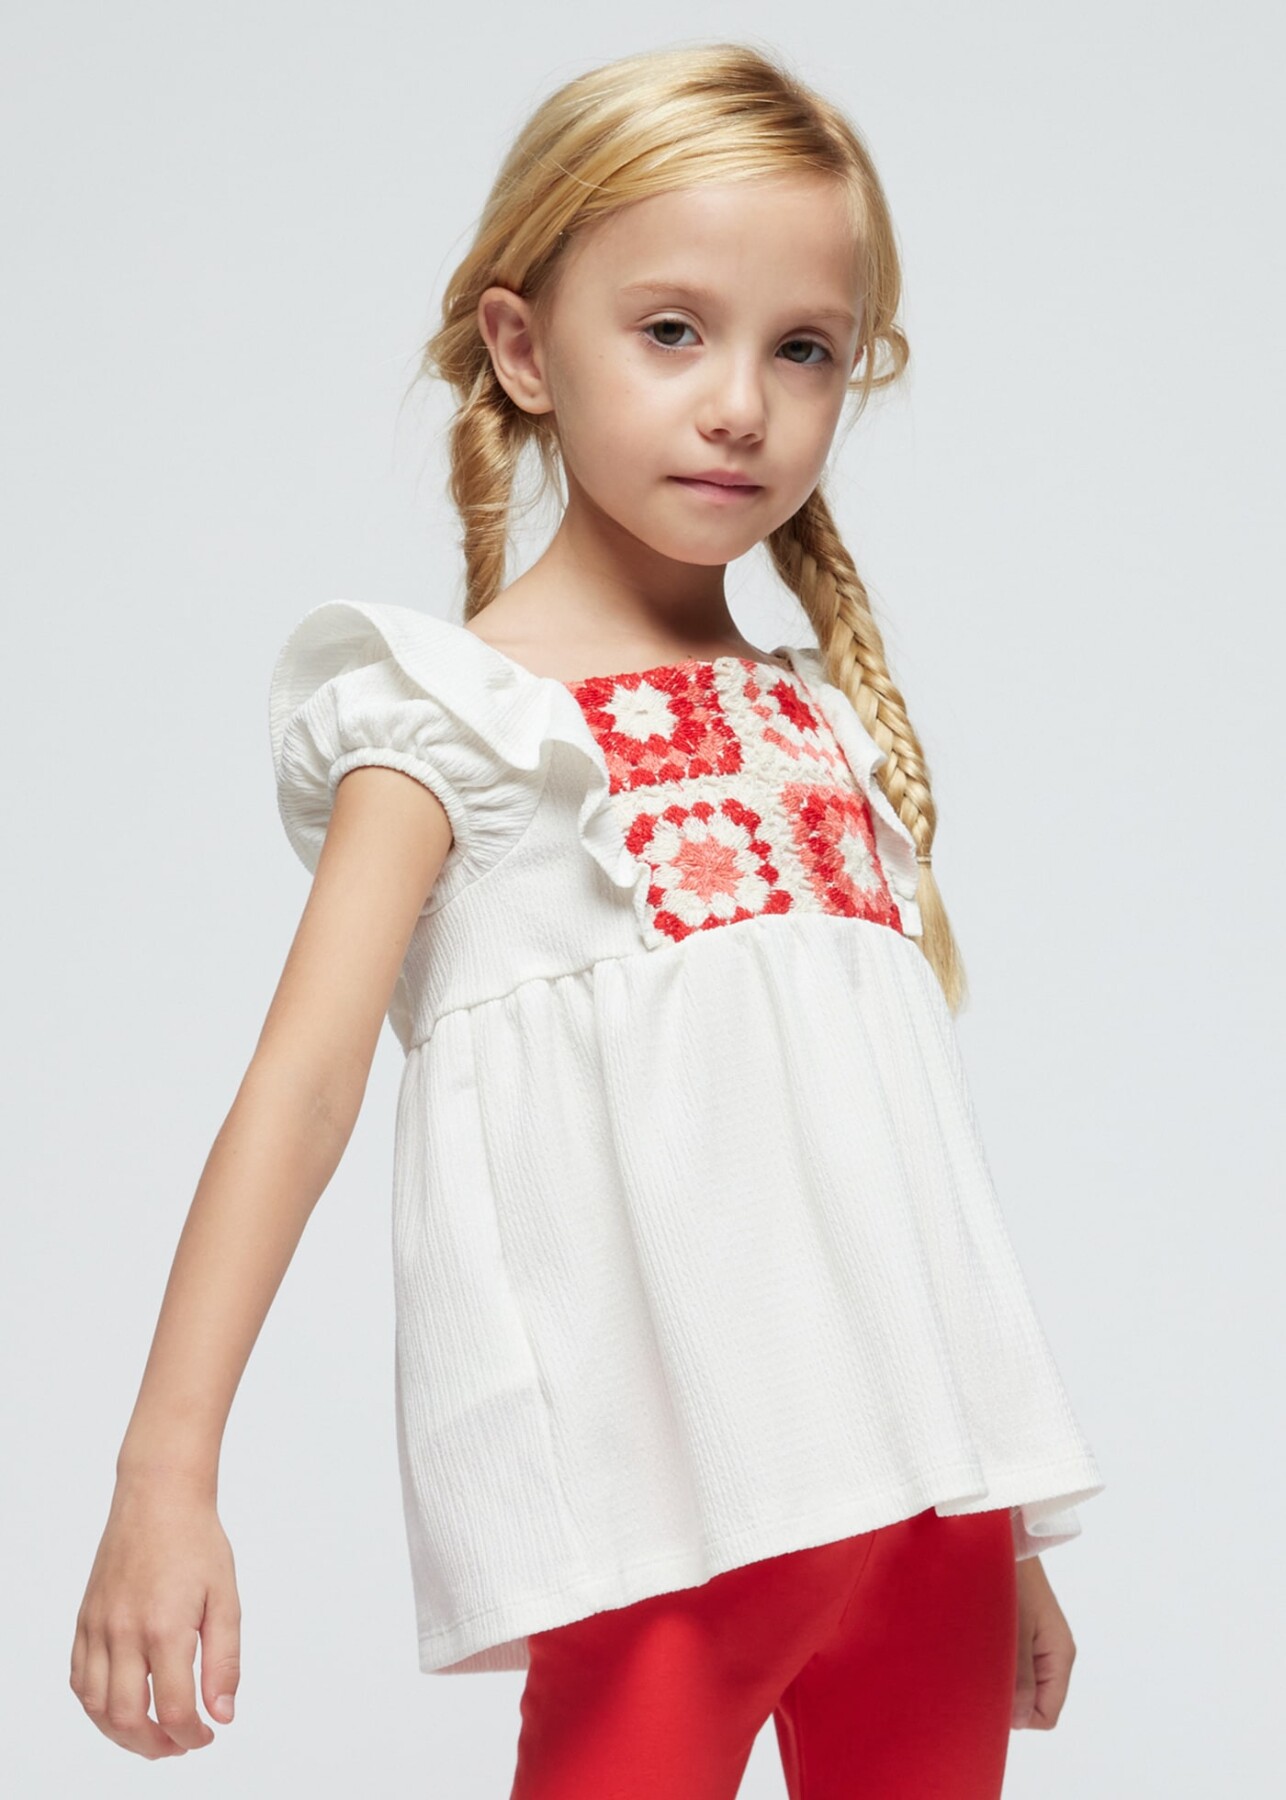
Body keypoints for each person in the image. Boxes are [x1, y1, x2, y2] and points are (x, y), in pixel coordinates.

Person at [69, 38, 1105, 1799]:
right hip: (660, 1535)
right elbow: (299, 1096)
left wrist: (996, 1514)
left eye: (803, 349)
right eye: (673, 331)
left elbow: (875, 1167)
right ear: (523, 348)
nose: (740, 405)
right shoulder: (451, 724)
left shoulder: (823, 719)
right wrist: (163, 1479)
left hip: (925, 1535)